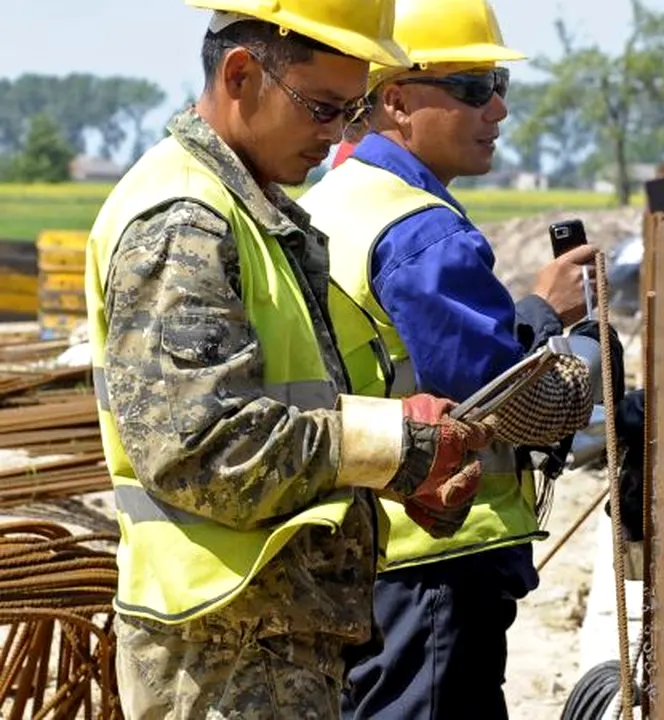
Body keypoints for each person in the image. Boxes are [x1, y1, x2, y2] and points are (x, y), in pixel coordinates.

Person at [85, 2, 496, 717]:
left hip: (255, 640)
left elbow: (275, 408)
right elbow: (202, 450)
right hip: (224, 651)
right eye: (322, 107)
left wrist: (393, 458)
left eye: (351, 111)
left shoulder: (243, 209)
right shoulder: (186, 223)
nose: (337, 133)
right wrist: (397, 446)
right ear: (241, 75)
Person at [299, 0, 597, 716]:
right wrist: (558, 323)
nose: (497, 108)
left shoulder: (328, 200)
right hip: (434, 557)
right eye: (471, 87)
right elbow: (500, 395)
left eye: (499, 84)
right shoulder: (420, 231)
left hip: (355, 548)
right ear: (397, 101)